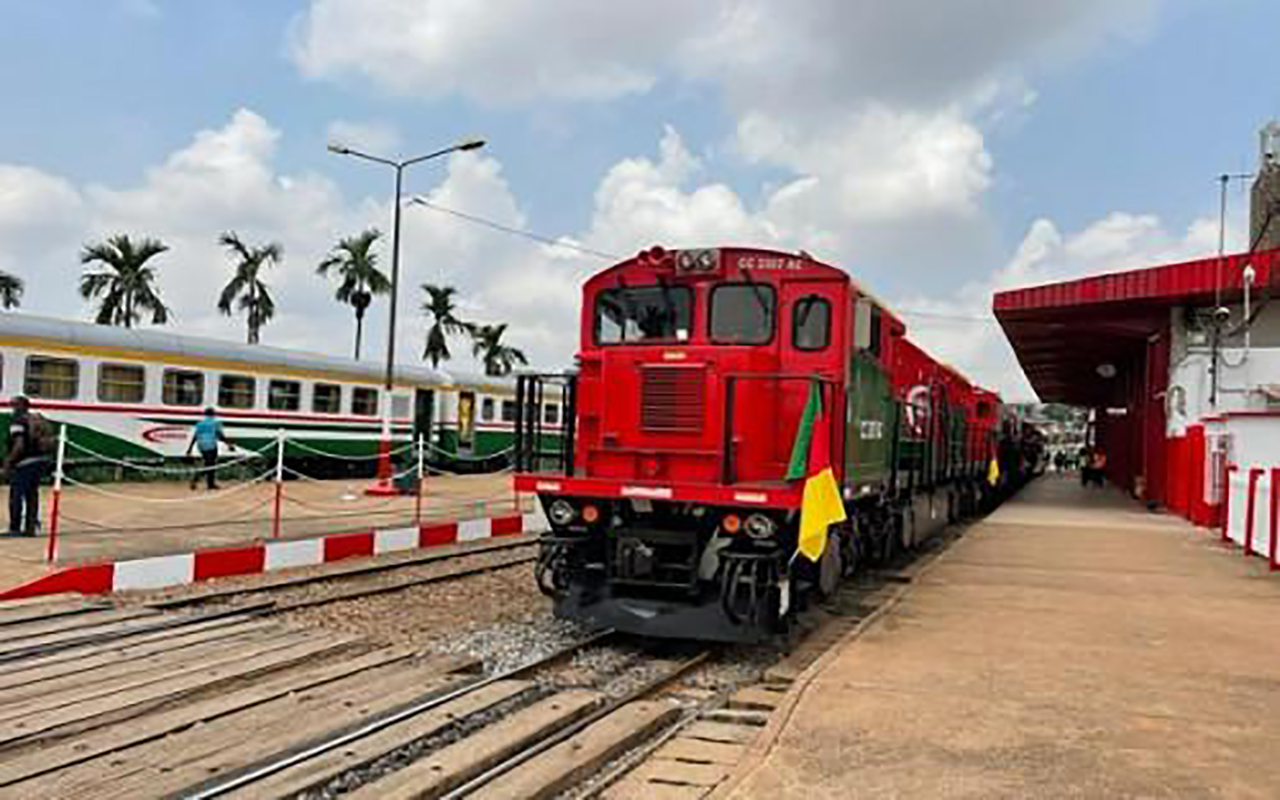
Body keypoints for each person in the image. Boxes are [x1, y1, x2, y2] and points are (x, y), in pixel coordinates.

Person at [4, 396, 49, 537]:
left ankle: (15, 528)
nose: (12, 409)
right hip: (40, 461)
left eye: (14, 405)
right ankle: (30, 527)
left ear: (21, 406)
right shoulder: (35, 418)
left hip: (24, 463)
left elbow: (19, 445)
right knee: (32, 494)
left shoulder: (17, 422)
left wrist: (9, 461)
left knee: (16, 496)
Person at [187, 407, 229, 490]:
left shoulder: (200, 424)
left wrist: (190, 448)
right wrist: (228, 443)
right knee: (210, 465)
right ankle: (197, 479)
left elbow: (195, 436)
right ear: (213, 414)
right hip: (211, 445)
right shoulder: (215, 423)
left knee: (209, 464)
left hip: (201, 445)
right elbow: (219, 434)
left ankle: (209, 483)